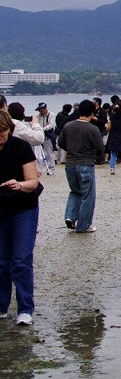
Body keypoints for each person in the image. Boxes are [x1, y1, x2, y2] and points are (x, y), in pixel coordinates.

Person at [0, 110, 42, 325]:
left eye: (2, 133)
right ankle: (1, 306)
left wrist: (19, 185)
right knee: (1, 261)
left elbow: (33, 181)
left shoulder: (20, 147)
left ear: (10, 130)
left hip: (23, 207)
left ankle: (25, 308)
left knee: (21, 260)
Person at [58, 99, 105, 234]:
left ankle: (70, 216)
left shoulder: (68, 126)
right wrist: (95, 155)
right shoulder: (92, 128)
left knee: (75, 192)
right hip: (85, 164)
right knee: (87, 196)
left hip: (70, 164)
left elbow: (61, 142)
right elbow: (100, 147)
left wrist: (71, 148)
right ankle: (83, 225)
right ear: (92, 112)